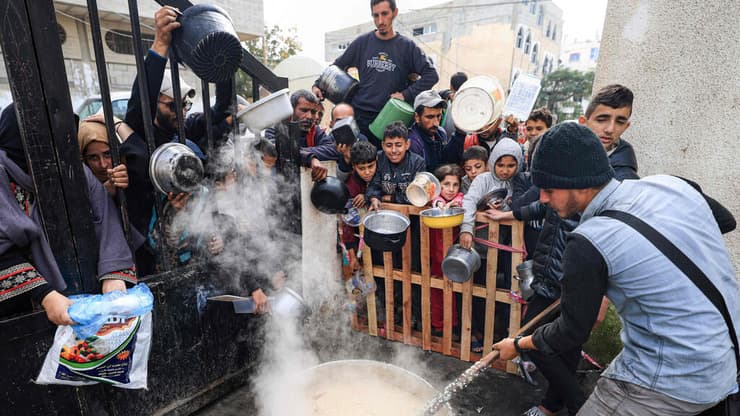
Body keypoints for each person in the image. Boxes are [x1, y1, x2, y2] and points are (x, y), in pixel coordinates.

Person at [493, 122, 739, 416]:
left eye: (548, 189)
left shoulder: (589, 240)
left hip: (672, 378)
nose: (542, 199)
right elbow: (726, 221)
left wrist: (519, 344)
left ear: (580, 181)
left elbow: (570, 332)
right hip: (727, 355)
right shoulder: (672, 185)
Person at [0, 104, 137, 325]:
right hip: (17, 311)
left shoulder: (69, 168)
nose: (49, 163)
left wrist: (114, 274)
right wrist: (45, 294)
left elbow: (104, 216)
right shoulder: (3, 175)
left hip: (81, 290)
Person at [120, 6, 232, 275]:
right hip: (145, 246)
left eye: (185, 105)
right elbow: (141, 99)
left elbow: (218, 113)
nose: (180, 112)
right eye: (172, 105)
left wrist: (224, 61)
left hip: (186, 249)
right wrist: (160, 44)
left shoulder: (184, 132)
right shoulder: (140, 130)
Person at [312, 0, 439, 149]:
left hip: (389, 119)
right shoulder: (362, 42)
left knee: (386, 165)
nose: (380, 21)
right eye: (376, 15)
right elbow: (336, 67)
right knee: (361, 165)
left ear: (395, 13)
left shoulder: (406, 47)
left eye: (385, 14)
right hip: (360, 116)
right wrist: (317, 84)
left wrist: (406, 94)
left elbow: (431, 75)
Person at [459, 138, 524, 250]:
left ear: (518, 164)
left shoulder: (519, 182)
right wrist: (466, 228)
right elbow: (469, 201)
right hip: (477, 241)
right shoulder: (482, 180)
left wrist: (503, 207)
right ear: (492, 162)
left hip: (505, 245)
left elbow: (520, 208)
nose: (505, 171)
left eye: (511, 166)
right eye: (500, 165)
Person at [264, 89, 332, 182]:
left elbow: (332, 149)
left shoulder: (315, 131)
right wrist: (310, 158)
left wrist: (299, 152)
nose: (309, 116)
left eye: (313, 112)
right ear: (291, 110)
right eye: (304, 110)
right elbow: (276, 151)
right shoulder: (275, 129)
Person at [428, 164, 464, 336]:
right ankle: (438, 325)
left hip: (455, 255)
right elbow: (436, 201)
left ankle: (454, 325)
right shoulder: (434, 200)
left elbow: (463, 200)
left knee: (456, 290)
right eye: (446, 184)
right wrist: (442, 203)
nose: (451, 189)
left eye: (455, 185)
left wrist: (456, 203)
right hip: (436, 254)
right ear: (438, 185)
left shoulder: (461, 199)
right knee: (437, 290)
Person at [579, 84, 639, 180]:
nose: (610, 129)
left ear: (626, 127)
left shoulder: (624, 181)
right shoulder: (562, 151)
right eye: (601, 120)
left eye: (620, 122)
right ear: (583, 122)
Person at [366, 121, 426, 210]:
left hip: (412, 215)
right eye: (389, 145)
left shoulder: (418, 163)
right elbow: (374, 184)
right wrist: (374, 197)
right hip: (384, 213)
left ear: (407, 144)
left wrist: (391, 198)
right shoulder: (379, 159)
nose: (394, 150)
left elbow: (418, 195)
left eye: (398, 145)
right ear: (383, 145)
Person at [341, 141, 378, 271]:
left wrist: (366, 195)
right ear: (353, 167)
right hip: (363, 239)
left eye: (371, 166)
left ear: (377, 160)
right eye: (362, 168)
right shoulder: (350, 186)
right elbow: (347, 224)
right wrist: (352, 255)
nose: (367, 172)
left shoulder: (382, 173)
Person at [408, 90, 464, 171]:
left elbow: (447, 162)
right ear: (417, 117)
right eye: (430, 117)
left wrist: (459, 133)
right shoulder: (413, 142)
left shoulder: (440, 133)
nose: (435, 123)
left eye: (438, 116)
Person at [77, 115, 130, 196]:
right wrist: (102, 194)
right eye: (93, 158)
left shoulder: (130, 171)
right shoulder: (79, 188)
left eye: (107, 154)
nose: (103, 165)